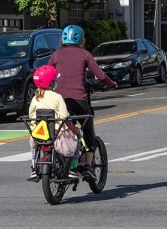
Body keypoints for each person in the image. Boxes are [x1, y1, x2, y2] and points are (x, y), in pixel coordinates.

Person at [48, 25, 117, 182]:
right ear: (81, 40)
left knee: (61, 129)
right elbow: (100, 75)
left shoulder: (56, 55)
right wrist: (112, 84)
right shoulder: (85, 55)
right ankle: (87, 166)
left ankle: (60, 160)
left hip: (60, 103)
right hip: (79, 101)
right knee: (88, 130)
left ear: (63, 40)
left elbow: (47, 72)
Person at [28, 65, 71, 181]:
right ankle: (73, 168)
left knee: (34, 147)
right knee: (75, 142)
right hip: (56, 132)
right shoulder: (57, 97)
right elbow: (64, 115)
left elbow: (31, 114)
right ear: (51, 83)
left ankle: (33, 166)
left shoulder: (35, 97)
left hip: (39, 134)